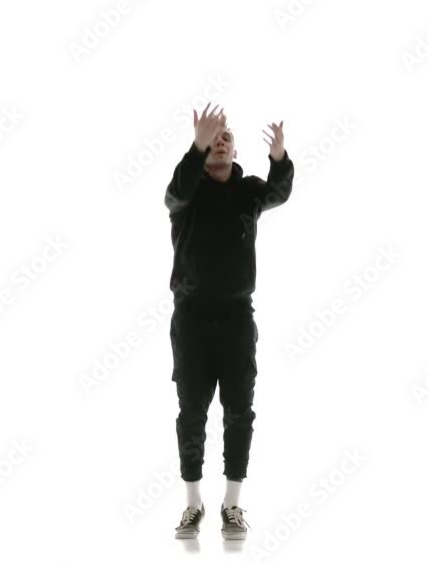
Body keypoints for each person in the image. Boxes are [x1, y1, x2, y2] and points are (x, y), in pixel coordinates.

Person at [165, 102, 294, 540]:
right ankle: (193, 503)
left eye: (227, 138)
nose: (220, 143)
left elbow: (278, 192)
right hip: (192, 320)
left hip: (237, 318)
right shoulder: (187, 194)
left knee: (239, 409)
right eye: (213, 140)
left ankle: (232, 504)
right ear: (203, 151)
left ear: (235, 152)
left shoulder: (248, 191)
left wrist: (279, 157)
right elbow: (174, 193)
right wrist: (196, 147)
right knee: (192, 411)